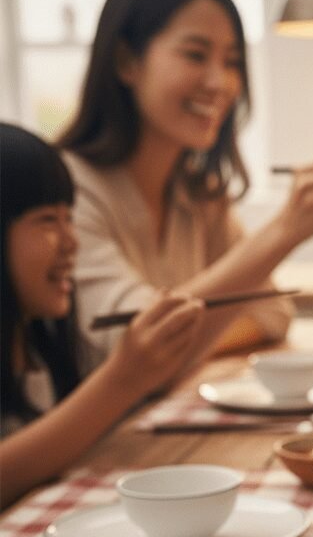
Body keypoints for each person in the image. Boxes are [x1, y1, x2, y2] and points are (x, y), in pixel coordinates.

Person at [56, 0, 313, 371]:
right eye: (195, 55)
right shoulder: (66, 193)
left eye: (232, 61)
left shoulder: (197, 193)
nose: (219, 82)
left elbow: (273, 312)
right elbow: (137, 344)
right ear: (126, 61)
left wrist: (188, 346)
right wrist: (285, 229)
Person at [0, 123, 204, 509]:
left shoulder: (41, 347)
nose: (71, 242)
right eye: (48, 220)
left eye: (69, 218)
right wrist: (124, 379)